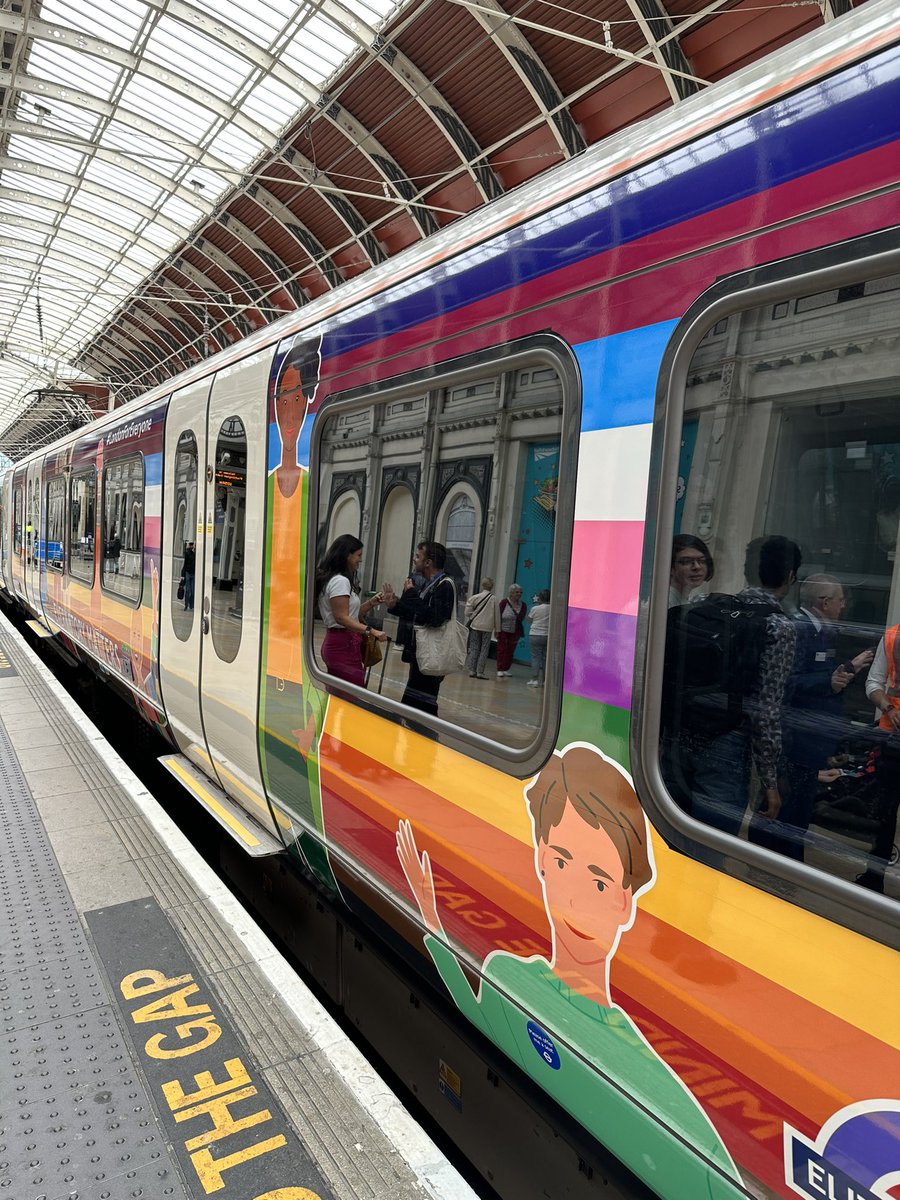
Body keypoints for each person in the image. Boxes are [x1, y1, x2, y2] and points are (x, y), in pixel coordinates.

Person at [396, 745, 741, 1198]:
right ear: (540, 859)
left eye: (598, 881)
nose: (574, 900)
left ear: (624, 901)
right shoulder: (505, 976)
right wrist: (430, 918)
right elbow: (472, 1012)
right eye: (561, 862)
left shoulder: (664, 1091)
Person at [663, 535, 802, 835]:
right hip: (725, 745)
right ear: (790, 577)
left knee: (670, 835)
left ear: (747, 571)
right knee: (710, 845)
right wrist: (770, 780)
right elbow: (766, 709)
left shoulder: (703, 606)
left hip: (676, 737)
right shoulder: (779, 626)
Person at [753, 575, 872, 860]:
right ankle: (771, 869)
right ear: (825, 601)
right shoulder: (799, 629)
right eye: (840, 600)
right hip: (795, 740)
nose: (843, 606)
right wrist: (829, 681)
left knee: (797, 816)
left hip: (810, 742)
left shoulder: (823, 631)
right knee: (786, 815)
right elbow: (785, 683)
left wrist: (841, 672)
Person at [383, 541, 454, 719]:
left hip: (432, 655)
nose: (415, 560)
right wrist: (395, 605)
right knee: (414, 705)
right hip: (421, 655)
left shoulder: (445, 585)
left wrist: (411, 593)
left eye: (418, 557)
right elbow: (418, 612)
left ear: (428, 562)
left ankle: (425, 738)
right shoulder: (430, 584)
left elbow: (435, 618)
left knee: (422, 706)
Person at [314, 534, 387, 688]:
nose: (360, 560)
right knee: (351, 694)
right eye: (358, 555)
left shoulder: (333, 579)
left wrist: (370, 603)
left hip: (340, 643)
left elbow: (349, 614)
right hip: (343, 645)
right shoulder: (341, 581)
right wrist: (371, 631)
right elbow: (341, 618)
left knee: (340, 694)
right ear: (347, 555)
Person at [464, 576, 499, 679]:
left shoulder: (475, 597)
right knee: (484, 649)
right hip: (488, 628)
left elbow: (467, 612)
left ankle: (471, 670)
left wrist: (473, 615)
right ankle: (480, 672)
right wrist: (498, 629)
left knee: (474, 648)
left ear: (482, 585)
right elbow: (497, 615)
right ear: (492, 586)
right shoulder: (494, 599)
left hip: (475, 625)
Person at [669, 534, 713, 607]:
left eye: (702, 561)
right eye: (687, 561)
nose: (697, 567)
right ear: (670, 567)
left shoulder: (683, 599)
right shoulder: (666, 602)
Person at [496, 584, 526, 678]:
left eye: (520, 592)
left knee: (510, 650)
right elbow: (498, 615)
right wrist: (497, 629)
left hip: (515, 631)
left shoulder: (523, 605)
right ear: (511, 593)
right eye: (517, 592)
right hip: (503, 629)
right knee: (502, 649)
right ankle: (500, 669)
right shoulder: (504, 602)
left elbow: (521, 617)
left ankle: (506, 668)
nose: (519, 594)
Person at [527, 589, 551, 687]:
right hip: (547, 635)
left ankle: (535, 680)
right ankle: (545, 681)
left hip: (535, 635)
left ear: (540, 598)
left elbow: (529, 620)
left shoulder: (535, 609)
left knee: (536, 657)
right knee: (546, 659)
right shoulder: (552, 608)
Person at [181, 541, 196, 611]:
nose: (191, 546)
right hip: (188, 572)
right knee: (187, 590)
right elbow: (185, 564)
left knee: (192, 590)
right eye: (191, 545)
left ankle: (191, 604)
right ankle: (186, 605)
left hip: (193, 573)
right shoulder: (187, 553)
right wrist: (182, 574)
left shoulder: (195, 554)